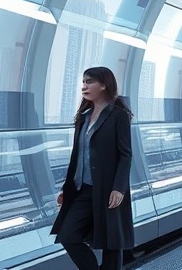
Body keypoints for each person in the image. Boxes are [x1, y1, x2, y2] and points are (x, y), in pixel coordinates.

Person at [52, 67, 135, 270]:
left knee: (112, 244)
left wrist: (119, 188)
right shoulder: (84, 116)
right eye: (83, 82)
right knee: (68, 236)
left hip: (109, 188)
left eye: (89, 82)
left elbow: (125, 155)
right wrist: (68, 187)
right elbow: (78, 156)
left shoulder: (118, 115)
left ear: (104, 84)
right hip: (83, 190)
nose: (84, 86)